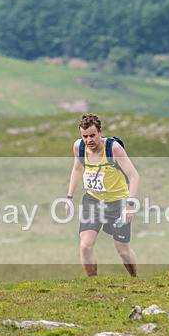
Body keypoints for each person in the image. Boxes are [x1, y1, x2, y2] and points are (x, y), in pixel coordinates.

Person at [65, 113, 140, 277]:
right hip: (93, 202)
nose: (88, 140)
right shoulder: (79, 147)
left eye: (92, 135)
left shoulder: (113, 149)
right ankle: (93, 285)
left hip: (117, 204)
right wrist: (69, 198)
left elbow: (134, 176)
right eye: (84, 136)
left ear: (100, 132)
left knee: (123, 250)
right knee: (85, 245)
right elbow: (77, 169)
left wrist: (129, 206)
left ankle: (135, 279)